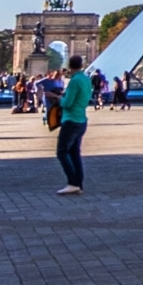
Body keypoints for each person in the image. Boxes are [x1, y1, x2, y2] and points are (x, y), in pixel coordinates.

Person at [55, 55, 91, 195]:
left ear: (70, 66)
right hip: (82, 119)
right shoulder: (86, 79)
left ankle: (73, 182)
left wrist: (59, 99)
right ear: (81, 65)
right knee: (74, 153)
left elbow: (67, 103)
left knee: (62, 152)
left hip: (71, 120)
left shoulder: (75, 81)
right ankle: (78, 184)